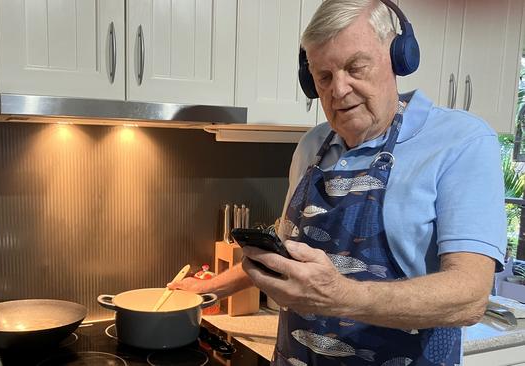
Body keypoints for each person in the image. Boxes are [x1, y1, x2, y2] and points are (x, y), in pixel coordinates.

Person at [169, 0, 507, 365]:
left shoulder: (460, 141)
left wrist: (338, 295)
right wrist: (210, 288)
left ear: (398, 56)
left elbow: (470, 296)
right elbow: (285, 248)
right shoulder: (312, 145)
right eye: (323, 76)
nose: (339, 89)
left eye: (355, 67)